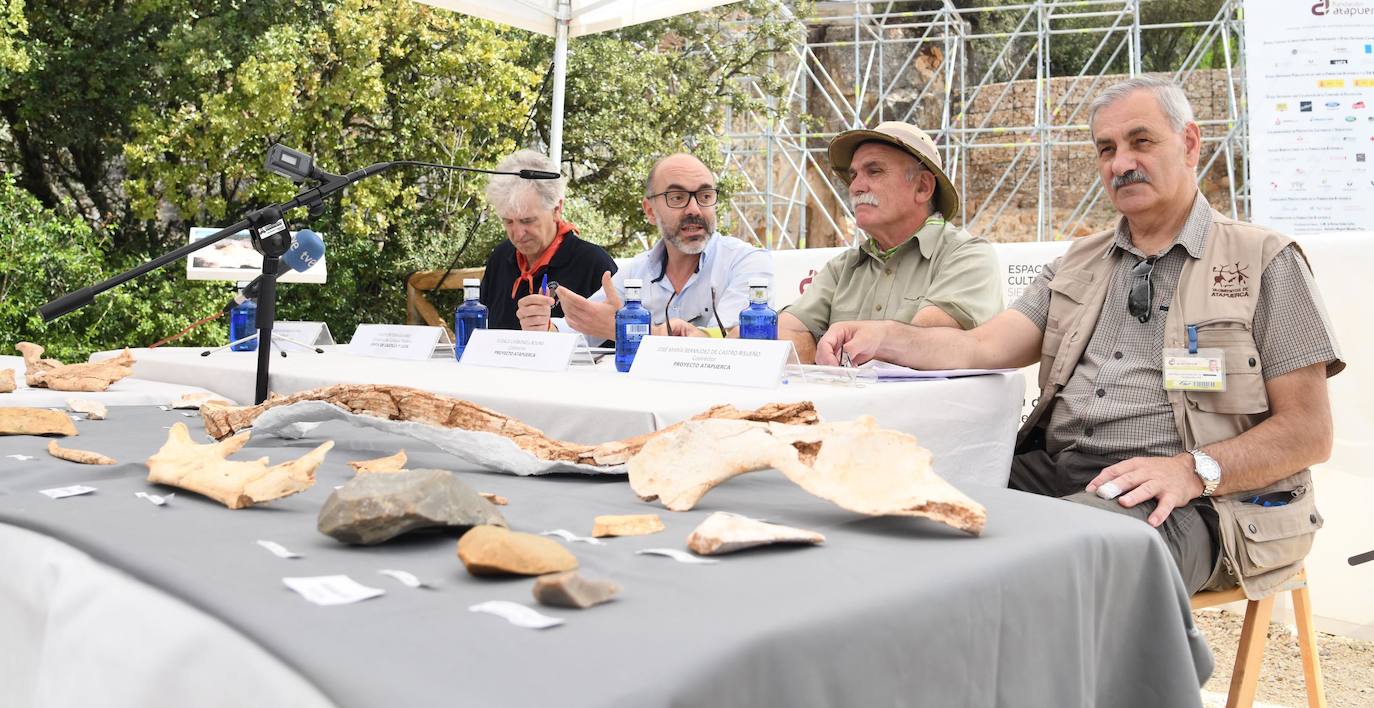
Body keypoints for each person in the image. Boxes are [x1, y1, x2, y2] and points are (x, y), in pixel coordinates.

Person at [815, 77, 1343, 598]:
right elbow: (981, 346)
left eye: (1141, 141)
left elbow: (1309, 431)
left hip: (1198, 501)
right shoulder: (1078, 263)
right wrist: (884, 335)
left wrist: (1193, 469)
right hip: (1062, 476)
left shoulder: (1264, 260)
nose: (1121, 163)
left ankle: (1111, 685)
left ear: (1188, 143)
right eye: (1106, 149)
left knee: (1053, 564)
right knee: (898, 517)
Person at [777, 121, 1001, 363]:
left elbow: (927, 345)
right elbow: (781, 337)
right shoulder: (842, 268)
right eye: (853, 175)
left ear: (923, 187)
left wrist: (819, 346)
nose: (855, 187)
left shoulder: (966, 256)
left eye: (874, 171)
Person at [522, 153, 772, 340]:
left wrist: (622, 328)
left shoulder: (747, 263)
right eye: (677, 198)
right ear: (650, 211)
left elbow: (729, 341)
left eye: (705, 196)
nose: (694, 209)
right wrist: (545, 327)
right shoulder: (637, 271)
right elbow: (585, 325)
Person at [478, 150, 617, 331]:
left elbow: (613, 343)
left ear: (556, 209)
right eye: (508, 221)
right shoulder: (501, 257)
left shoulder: (592, 263)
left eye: (528, 221)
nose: (518, 234)